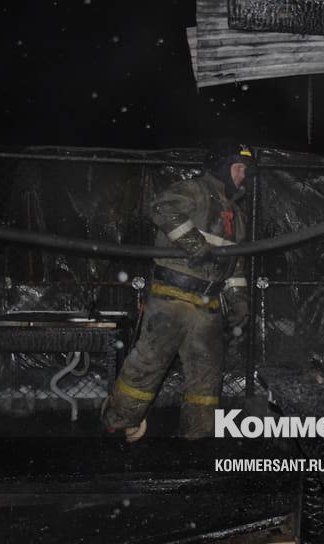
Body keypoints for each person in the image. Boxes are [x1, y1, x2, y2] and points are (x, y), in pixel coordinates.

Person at [101, 143, 254, 441]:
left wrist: (238, 299)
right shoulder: (194, 190)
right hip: (172, 297)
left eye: (245, 170)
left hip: (208, 306)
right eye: (239, 168)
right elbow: (162, 208)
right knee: (148, 364)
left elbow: (234, 263)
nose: (243, 176)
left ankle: (198, 435)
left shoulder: (235, 214)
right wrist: (196, 245)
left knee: (206, 376)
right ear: (222, 167)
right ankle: (117, 423)